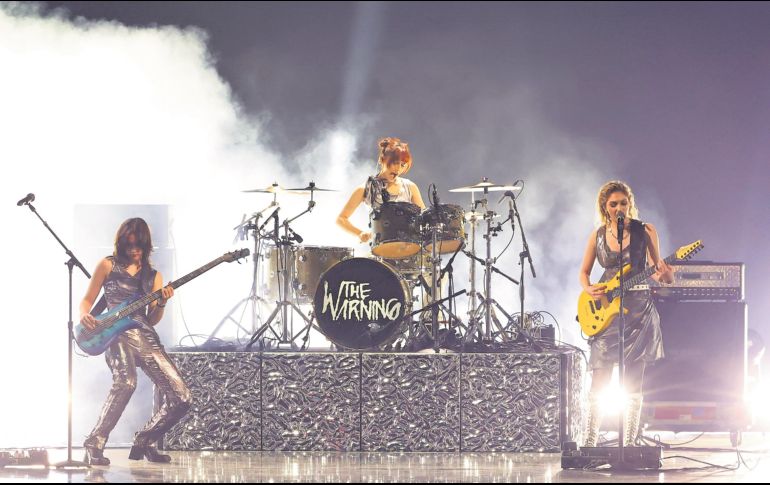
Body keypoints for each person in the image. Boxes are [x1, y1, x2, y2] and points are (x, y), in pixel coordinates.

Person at [79, 218, 191, 465]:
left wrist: (161, 302)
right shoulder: (107, 265)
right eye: (129, 245)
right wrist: (85, 315)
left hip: (146, 336)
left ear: (146, 245)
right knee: (126, 382)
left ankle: (145, 440)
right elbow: (87, 300)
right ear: (121, 243)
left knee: (182, 397)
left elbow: (153, 318)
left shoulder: (154, 276)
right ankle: (94, 442)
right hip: (116, 334)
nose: (134, 250)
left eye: (138, 245)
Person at [578, 180, 674, 447]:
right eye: (613, 204)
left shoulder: (646, 231)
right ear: (605, 208)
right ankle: (589, 443)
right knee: (599, 378)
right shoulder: (597, 235)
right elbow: (583, 272)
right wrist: (589, 289)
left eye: (623, 203)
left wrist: (666, 272)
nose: (619, 208)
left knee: (633, 381)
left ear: (630, 204)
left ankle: (629, 444)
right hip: (606, 312)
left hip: (638, 311)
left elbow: (662, 274)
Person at [336, 136, 426, 243]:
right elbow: (341, 219)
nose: (398, 169)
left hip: (408, 248)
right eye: (395, 163)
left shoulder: (410, 187)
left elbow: (424, 218)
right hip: (381, 250)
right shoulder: (366, 188)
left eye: (403, 165)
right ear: (382, 160)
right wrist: (359, 233)